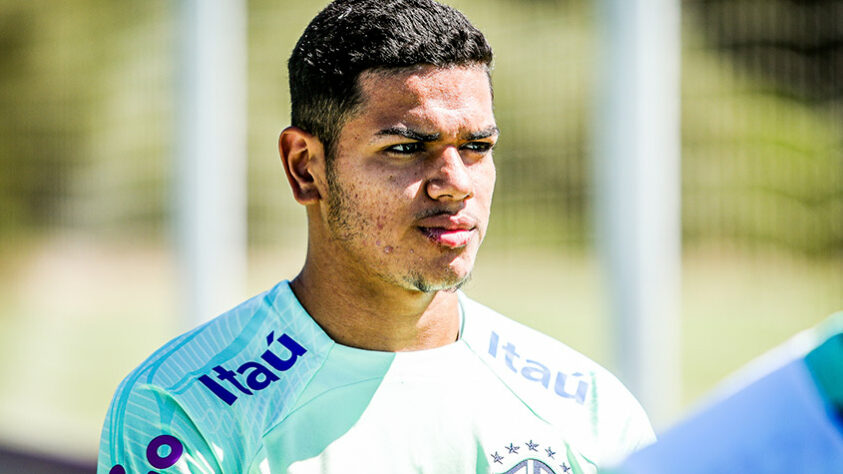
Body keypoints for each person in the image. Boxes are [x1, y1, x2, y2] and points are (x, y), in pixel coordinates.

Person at [97, 1, 654, 472]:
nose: (456, 184)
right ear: (305, 167)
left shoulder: (589, 408)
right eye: (407, 148)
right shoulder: (181, 408)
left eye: (478, 147)